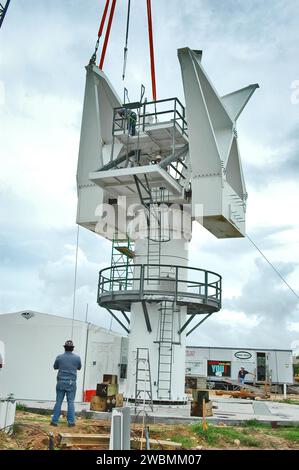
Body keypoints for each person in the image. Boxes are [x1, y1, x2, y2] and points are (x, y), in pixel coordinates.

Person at [51, 340, 82, 427]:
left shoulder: (59, 357)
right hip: (71, 383)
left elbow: (55, 367)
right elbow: (79, 367)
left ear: (64, 348)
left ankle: (54, 421)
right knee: (71, 402)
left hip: (60, 382)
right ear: (72, 349)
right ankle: (71, 422)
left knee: (58, 402)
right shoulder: (77, 358)